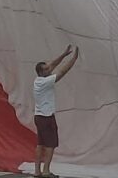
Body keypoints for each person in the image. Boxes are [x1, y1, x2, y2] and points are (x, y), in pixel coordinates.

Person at [33, 45, 79, 178]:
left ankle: (37, 171)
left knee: (40, 144)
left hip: (39, 117)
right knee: (50, 144)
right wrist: (73, 60)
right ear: (42, 72)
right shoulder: (45, 82)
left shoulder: (39, 80)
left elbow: (52, 64)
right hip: (46, 118)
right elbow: (62, 72)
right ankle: (46, 171)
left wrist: (64, 54)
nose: (49, 68)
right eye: (46, 69)